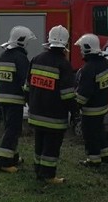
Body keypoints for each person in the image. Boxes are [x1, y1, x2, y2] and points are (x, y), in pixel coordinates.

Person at [24, 25, 76, 184]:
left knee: (39, 143)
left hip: (36, 114)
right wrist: (76, 112)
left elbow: (27, 88)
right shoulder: (64, 65)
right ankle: (48, 175)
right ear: (65, 44)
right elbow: (67, 95)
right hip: (54, 117)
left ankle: (38, 171)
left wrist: (32, 104)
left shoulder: (36, 59)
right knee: (51, 147)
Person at [0, 26, 36, 173]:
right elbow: (25, 83)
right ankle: (4, 162)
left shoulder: (4, 55)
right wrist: (31, 100)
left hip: (3, 99)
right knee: (13, 130)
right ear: (23, 41)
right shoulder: (20, 58)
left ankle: (12, 156)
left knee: (9, 128)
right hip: (15, 101)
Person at [73, 33, 108, 169]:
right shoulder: (106, 63)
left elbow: (84, 92)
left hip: (91, 109)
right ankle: (106, 155)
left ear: (87, 48)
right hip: (103, 106)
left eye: (81, 49)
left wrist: (75, 106)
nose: (80, 52)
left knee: (90, 134)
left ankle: (93, 160)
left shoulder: (88, 68)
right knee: (100, 130)